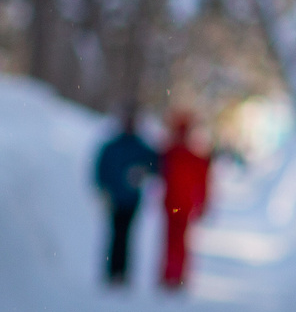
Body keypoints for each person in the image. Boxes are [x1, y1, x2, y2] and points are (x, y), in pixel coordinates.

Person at [90, 107, 159, 287]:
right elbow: (101, 170)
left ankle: (123, 273)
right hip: (114, 199)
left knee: (126, 236)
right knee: (115, 235)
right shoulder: (112, 146)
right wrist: (103, 190)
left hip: (131, 199)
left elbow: (156, 164)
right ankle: (112, 271)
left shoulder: (140, 147)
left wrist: (143, 171)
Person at [158, 111, 212, 293]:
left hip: (179, 204)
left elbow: (203, 180)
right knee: (175, 240)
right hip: (176, 204)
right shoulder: (173, 153)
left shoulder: (177, 154)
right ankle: (172, 275)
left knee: (175, 240)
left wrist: (203, 202)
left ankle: (174, 276)